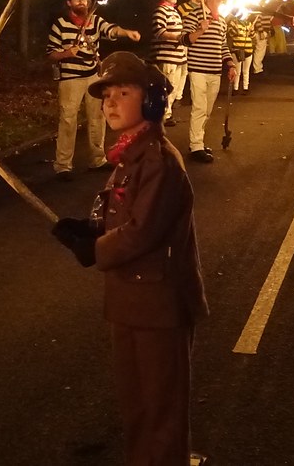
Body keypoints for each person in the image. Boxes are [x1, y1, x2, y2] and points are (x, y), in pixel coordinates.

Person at [52, 51, 208, 465]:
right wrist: (91, 229)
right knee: (136, 406)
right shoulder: (129, 155)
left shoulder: (158, 160)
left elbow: (143, 230)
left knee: (161, 410)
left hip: (159, 304)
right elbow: (121, 213)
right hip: (129, 299)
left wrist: (94, 249)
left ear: (152, 101)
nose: (111, 103)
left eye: (123, 93)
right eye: (106, 96)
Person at [47, 0, 141, 180]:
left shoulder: (95, 20)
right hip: (70, 78)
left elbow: (111, 30)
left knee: (98, 117)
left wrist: (126, 32)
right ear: (69, 3)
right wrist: (66, 53)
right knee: (68, 120)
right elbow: (51, 53)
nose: (82, 1)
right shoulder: (61, 24)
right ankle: (63, 165)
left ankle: (97, 159)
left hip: (93, 76)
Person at [183, 0, 237, 163]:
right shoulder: (194, 15)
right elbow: (184, 40)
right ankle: (196, 146)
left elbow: (223, 46)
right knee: (199, 108)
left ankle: (198, 140)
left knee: (207, 110)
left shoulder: (221, 20)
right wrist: (200, 30)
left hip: (215, 70)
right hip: (198, 69)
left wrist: (230, 64)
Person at [148, 0, 187, 127]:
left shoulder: (174, 11)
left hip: (177, 56)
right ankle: (161, 116)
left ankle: (167, 114)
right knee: (166, 86)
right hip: (166, 56)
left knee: (174, 87)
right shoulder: (160, 11)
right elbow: (159, 32)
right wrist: (178, 38)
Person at [174, 0, 203, 104]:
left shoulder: (203, 8)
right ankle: (178, 96)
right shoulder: (183, 7)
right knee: (183, 69)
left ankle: (194, 95)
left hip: (198, 42)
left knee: (194, 70)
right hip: (186, 41)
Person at [226, 13, 255, 93]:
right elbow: (230, 34)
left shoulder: (249, 24)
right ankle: (235, 88)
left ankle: (245, 87)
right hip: (237, 50)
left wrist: (251, 30)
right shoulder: (233, 22)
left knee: (246, 71)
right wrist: (236, 28)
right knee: (237, 71)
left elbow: (253, 36)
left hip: (248, 50)